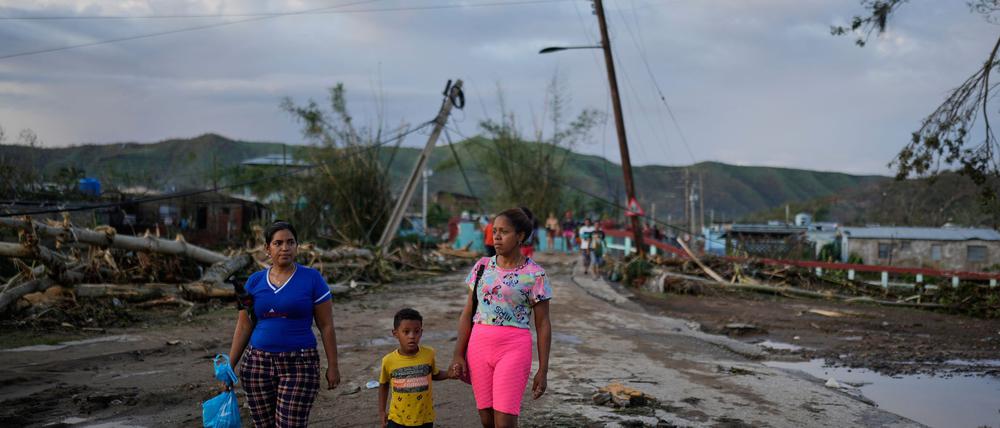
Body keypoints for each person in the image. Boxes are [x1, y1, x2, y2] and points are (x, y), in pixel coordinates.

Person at [227, 220, 341, 428]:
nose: (285, 248)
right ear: (267, 248)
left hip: (300, 364)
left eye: (290, 242)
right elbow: (244, 326)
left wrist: (333, 366)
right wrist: (229, 366)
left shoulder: (312, 279)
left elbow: (326, 326)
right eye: (278, 243)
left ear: (297, 246)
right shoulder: (254, 281)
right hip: (257, 365)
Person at [450, 207, 553, 428]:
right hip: (479, 347)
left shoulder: (535, 274)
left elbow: (543, 324)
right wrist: (458, 354)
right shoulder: (482, 267)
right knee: (486, 419)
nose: (496, 236)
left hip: (513, 348)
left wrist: (543, 370)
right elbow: (468, 312)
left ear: (520, 236)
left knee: (504, 421)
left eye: (504, 232)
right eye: (495, 231)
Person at [379, 308, 452, 428]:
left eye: (416, 331)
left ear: (421, 332)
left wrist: (449, 374)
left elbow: (434, 374)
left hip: (424, 418)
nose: (412, 336)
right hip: (397, 419)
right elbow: (384, 384)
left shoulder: (428, 354)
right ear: (395, 333)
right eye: (406, 332)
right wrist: (382, 412)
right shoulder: (389, 360)